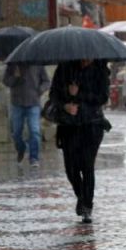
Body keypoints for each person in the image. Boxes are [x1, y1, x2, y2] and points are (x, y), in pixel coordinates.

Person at [47, 59, 110, 224]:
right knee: (71, 168)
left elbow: (102, 97)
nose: (86, 59)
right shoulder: (65, 67)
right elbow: (53, 95)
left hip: (92, 123)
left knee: (87, 166)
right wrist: (65, 105)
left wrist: (78, 94)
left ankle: (87, 207)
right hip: (69, 125)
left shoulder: (100, 69)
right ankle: (81, 196)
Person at [2, 64, 50, 167]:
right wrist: (15, 77)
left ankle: (34, 157)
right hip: (17, 103)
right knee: (16, 132)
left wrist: (40, 90)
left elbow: (46, 81)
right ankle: (21, 148)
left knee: (34, 131)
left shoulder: (38, 64)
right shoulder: (13, 64)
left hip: (33, 103)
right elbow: (6, 81)